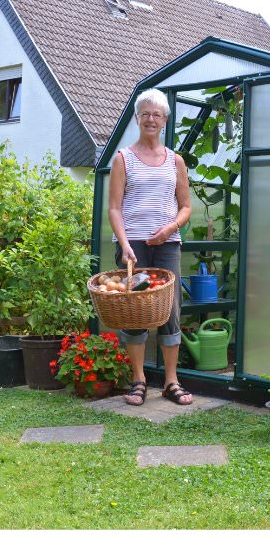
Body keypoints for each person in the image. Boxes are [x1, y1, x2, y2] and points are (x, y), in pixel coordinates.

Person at [108, 88, 193, 406]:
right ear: (137, 118)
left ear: (165, 120)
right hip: (135, 249)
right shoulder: (123, 159)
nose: (151, 119)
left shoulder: (175, 161)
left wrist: (171, 227)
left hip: (167, 245)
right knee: (137, 309)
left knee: (170, 309)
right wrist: (125, 244)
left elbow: (185, 208)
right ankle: (139, 381)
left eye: (157, 114)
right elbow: (114, 208)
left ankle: (171, 382)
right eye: (145, 113)